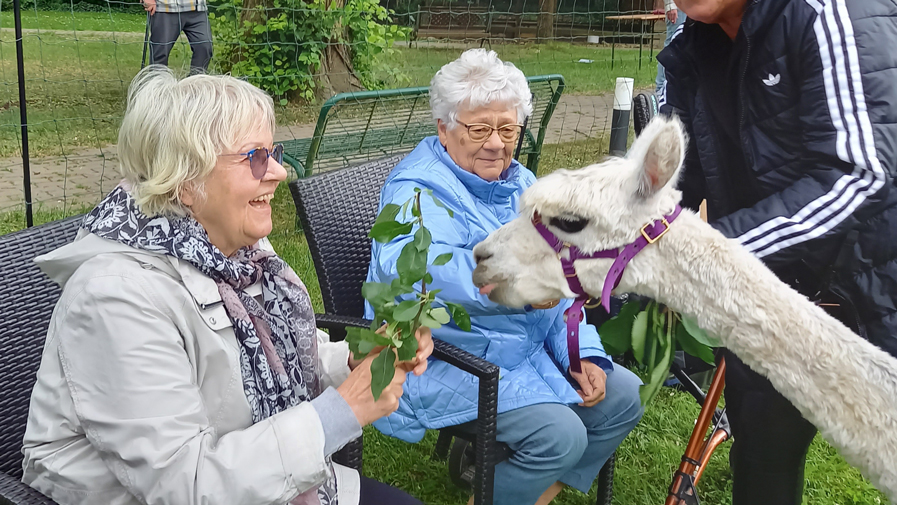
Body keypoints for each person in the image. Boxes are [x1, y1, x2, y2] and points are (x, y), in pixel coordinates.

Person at [21, 66, 432, 505]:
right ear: (185, 182)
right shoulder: (114, 297)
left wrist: (351, 362)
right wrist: (343, 410)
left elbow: (282, 361)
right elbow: (183, 482)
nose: (279, 172)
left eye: (273, 152)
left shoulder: (235, 250)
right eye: (255, 156)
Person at [364, 49, 644, 505]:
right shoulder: (415, 191)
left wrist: (580, 352)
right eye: (479, 129)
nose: (496, 143)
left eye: (508, 129)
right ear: (444, 129)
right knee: (561, 436)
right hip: (445, 356)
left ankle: (524, 493)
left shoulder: (520, 181)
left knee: (622, 395)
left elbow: (556, 284)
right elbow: (409, 273)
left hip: (518, 348)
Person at [658, 1, 897, 504]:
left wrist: (707, 254)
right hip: (773, 289)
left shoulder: (829, 14)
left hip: (879, 280)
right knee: (764, 454)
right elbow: (673, 179)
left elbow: (860, 176)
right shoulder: (693, 47)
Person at [142, 0, 212, 73]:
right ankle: (158, 82)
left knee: (205, 47)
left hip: (197, 8)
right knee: (160, 54)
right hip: (165, 8)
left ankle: (195, 82)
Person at [653, 0, 686, 94]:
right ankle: (660, 88)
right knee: (672, 46)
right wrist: (670, 5)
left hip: (691, 7)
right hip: (678, 7)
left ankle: (675, 88)